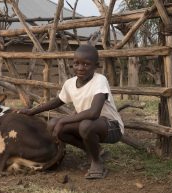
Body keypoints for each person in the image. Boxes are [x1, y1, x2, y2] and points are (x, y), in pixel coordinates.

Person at [19, 44, 124, 179]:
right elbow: (57, 101)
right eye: (76, 63)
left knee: (85, 125)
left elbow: (94, 113)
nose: (80, 68)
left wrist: (63, 120)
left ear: (96, 66)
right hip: (88, 124)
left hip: (111, 127)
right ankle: (94, 151)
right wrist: (32, 111)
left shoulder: (99, 80)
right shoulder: (70, 83)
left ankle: (97, 162)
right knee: (53, 124)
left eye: (86, 64)